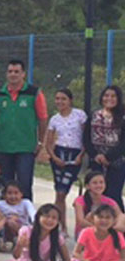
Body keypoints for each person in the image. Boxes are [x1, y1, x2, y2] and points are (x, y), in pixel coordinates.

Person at [0, 59, 48, 201]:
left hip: (25, 147)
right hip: (3, 147)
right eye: (10, 71)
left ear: (23, 74)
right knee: (4, 186)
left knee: (24, 185)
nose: (13, 74)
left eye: (17, 72)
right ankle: (6, 213)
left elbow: (43, 119)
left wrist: (40, 142)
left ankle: (27, 213)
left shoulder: (34, 93)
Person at [6, 203, 72, 261]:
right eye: (47, 216)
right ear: (38, 217)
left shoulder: (58, 237)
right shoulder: (26, 231)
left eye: (54, 218)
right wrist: (19, 245)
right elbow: (16, 256)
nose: (50, 220)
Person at [45, 88, 86, 228]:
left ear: (70, 100)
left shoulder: (79, 115)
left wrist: (81, 155)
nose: (60, 102)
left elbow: (86, 138)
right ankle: (60, 225)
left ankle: (59, 224)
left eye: (63, 99)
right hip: (59, 153)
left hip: (74, 154)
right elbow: (48, 142)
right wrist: (54, 157)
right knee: (59, 192)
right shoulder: (54, 119)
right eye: (57, 99)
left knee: (64, 189)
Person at [61, 203, 125, 261]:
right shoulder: (86, 232)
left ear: (114, 221)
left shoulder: (118, 235)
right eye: (100, 217)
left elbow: (123, 258)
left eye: (107, 218)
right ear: (92, 219)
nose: (104, 220)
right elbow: (76, 253)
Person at [83, 85, 125, 211]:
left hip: (116, 162)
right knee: (96, 195)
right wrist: (95, 155)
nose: (109, 99)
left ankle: (120, 221)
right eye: (106, 96)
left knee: (113, 195)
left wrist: (108, 157)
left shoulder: (122, 117)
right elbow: (86, 138)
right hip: (96, 161)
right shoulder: (94, 115)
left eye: (113, 96)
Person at [72, 170, 122, 238]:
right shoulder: (80, 201)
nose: (99, 185)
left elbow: (120, 216)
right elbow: (80, 221)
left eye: (101, 182)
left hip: (105, 231)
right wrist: (100, 229)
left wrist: (114, 227)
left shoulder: (109, 201)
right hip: (84, 232)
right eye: (95, 183)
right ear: (87, 186)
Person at [0, 180, 35, 249]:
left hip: (22, 228)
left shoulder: (26, 203)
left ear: (21, 194)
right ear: (4, 195)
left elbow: (33, 214)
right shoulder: (0, 204)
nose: (13, 196)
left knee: (11, 222)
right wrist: (5, 220)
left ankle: (18, 239)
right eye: (9, 193)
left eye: (16, 193)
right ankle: (3, 241)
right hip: (5, 229)